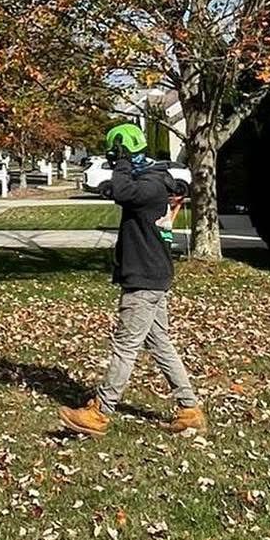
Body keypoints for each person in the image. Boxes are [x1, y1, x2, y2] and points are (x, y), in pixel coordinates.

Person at [60, 126, 205, 438]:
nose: (114, 163)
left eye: (116, 156)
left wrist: (122, 163)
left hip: (144, 279)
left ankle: (100, 412)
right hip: (152, 275)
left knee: (126, 346)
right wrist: (125, 166)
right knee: (160, 343)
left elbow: (122, 191)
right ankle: (189, 409)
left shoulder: (149, 186)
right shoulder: (153, 181)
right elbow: (120, 190)